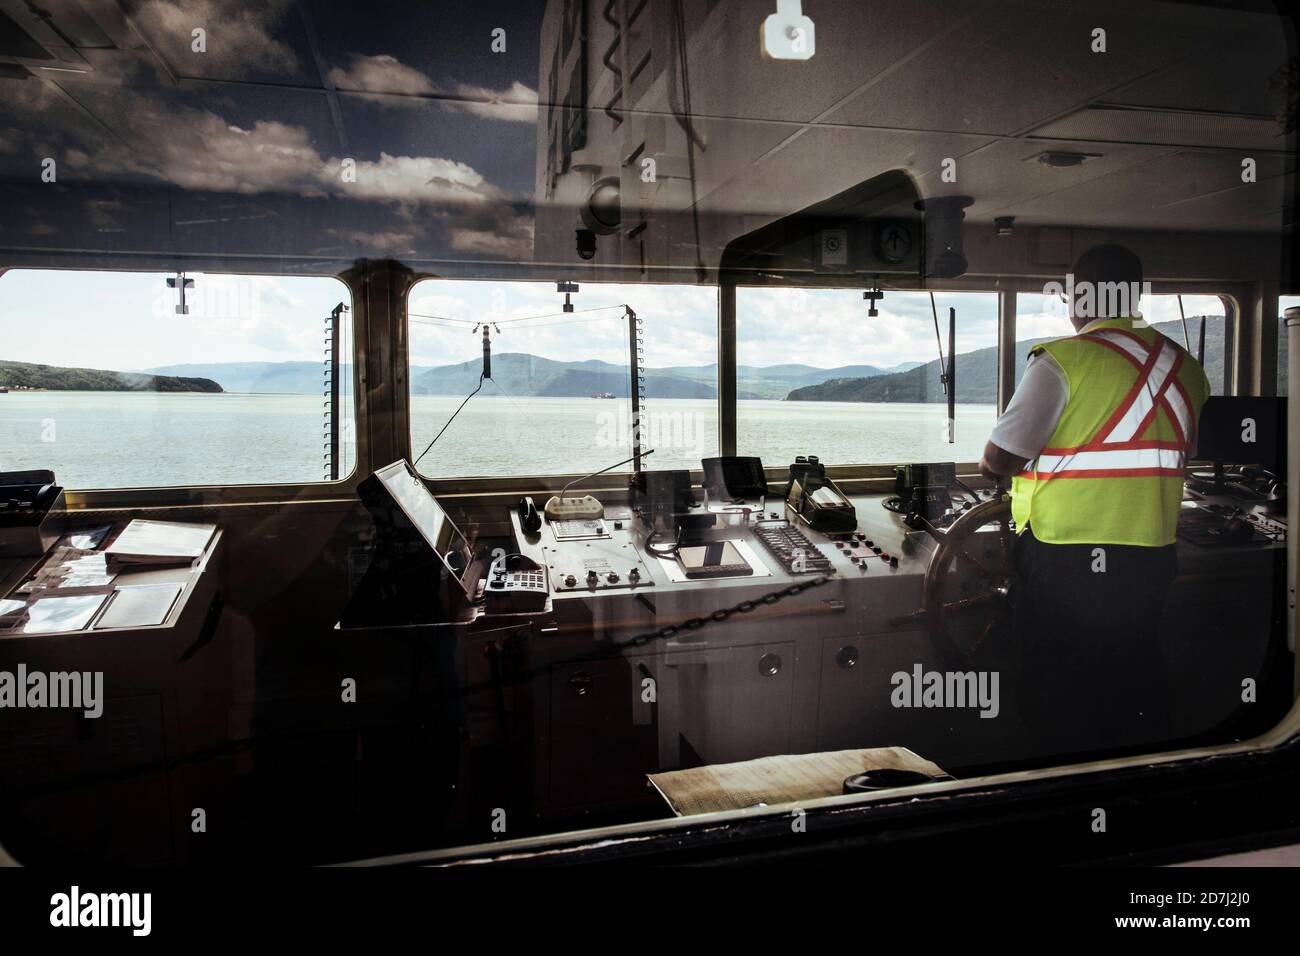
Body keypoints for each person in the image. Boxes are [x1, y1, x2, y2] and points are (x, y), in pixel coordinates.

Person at [979, 244, 1210, 758]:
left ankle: (1063, 799)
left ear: (1079, 297)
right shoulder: (1187, 368)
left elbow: (1001, 457)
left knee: (1056, 688)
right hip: (1150, 555)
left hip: (1069, 557)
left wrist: (993, 469)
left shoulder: (1064, 359)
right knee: (1132, 676)